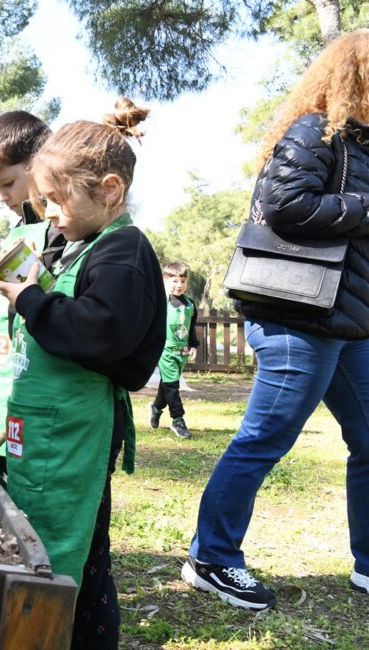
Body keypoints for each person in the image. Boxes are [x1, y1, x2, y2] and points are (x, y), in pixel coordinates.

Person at [183, 30, 369, 611]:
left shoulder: (364, 145)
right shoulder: (317, 131)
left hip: (349, 324)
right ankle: (210, 557)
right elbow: (287, 206)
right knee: (265, 438)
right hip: (297, 317)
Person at [0, 98, 165, 649]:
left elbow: (99, 332)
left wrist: (33, 301)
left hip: (77, 431)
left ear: (110, 190)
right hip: (45, 429)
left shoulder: (123, 251)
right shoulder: (80, 244)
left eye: (58, 201)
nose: (49, 214)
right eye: (42, 201)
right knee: (44, 537)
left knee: (77, 552)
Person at [0, 110, 65, 483]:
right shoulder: (18, 230)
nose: (3, 196)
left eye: (8, 183)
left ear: (40, 166)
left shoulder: (61, 232)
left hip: (38, 391)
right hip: (0, 389)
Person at [150, 261, 199, 438]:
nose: (179, 285)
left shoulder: (189, 305)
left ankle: (156, 407)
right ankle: (178, 419)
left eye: (183, 281)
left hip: (182, 352)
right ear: (165, 281)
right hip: (165, 350)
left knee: (168, 384)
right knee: (172, 385)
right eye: (175, 281)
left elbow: (191, 327)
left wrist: (193, 345)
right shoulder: (161, 303)